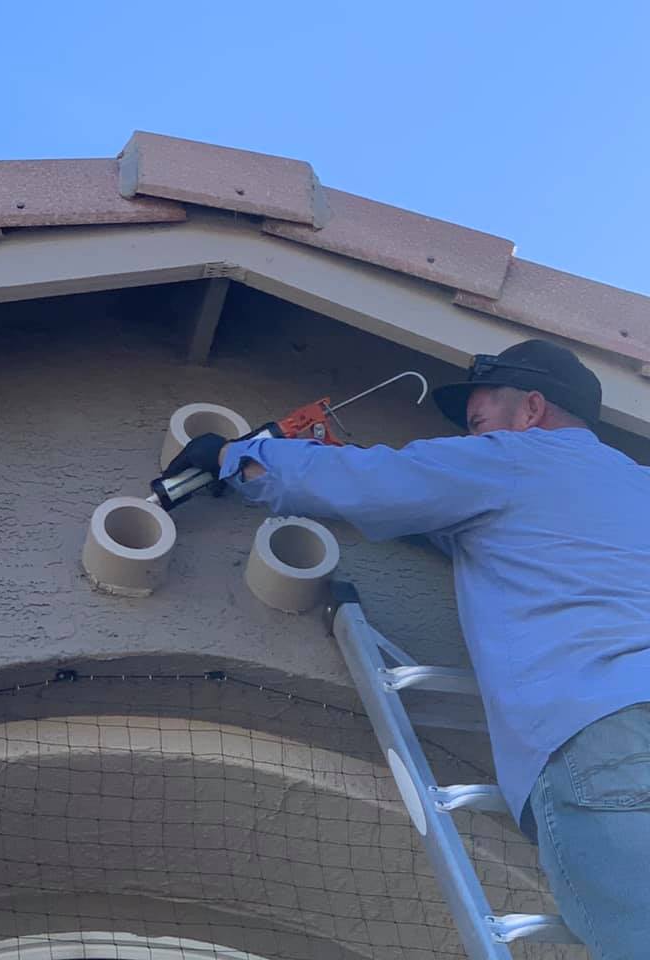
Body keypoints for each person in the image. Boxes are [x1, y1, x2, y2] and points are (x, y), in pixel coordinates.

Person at [167, 339, 650, 960]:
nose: (472, 438)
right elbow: (495, 533)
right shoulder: (634, 485)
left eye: (478, 423)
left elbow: (372, 483)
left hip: (602, 736)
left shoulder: (510, 458)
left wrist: (233, 455)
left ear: (531, 409)